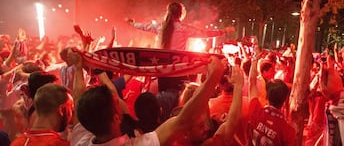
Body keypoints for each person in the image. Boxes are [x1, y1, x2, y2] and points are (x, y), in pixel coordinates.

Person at [68, 47, 227, 146]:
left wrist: (78, 66)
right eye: (117, 102)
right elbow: (184, 120)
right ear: (116, 118)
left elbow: (77, 97)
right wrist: (214, 76)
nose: (119, 100)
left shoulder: (80, 140)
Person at [247, 47, 295, 146]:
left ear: (267, 96)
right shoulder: (288, 131)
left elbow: (251, 83)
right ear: (284, 99)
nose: (274, 72)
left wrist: (255, 58)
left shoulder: (255, 111)